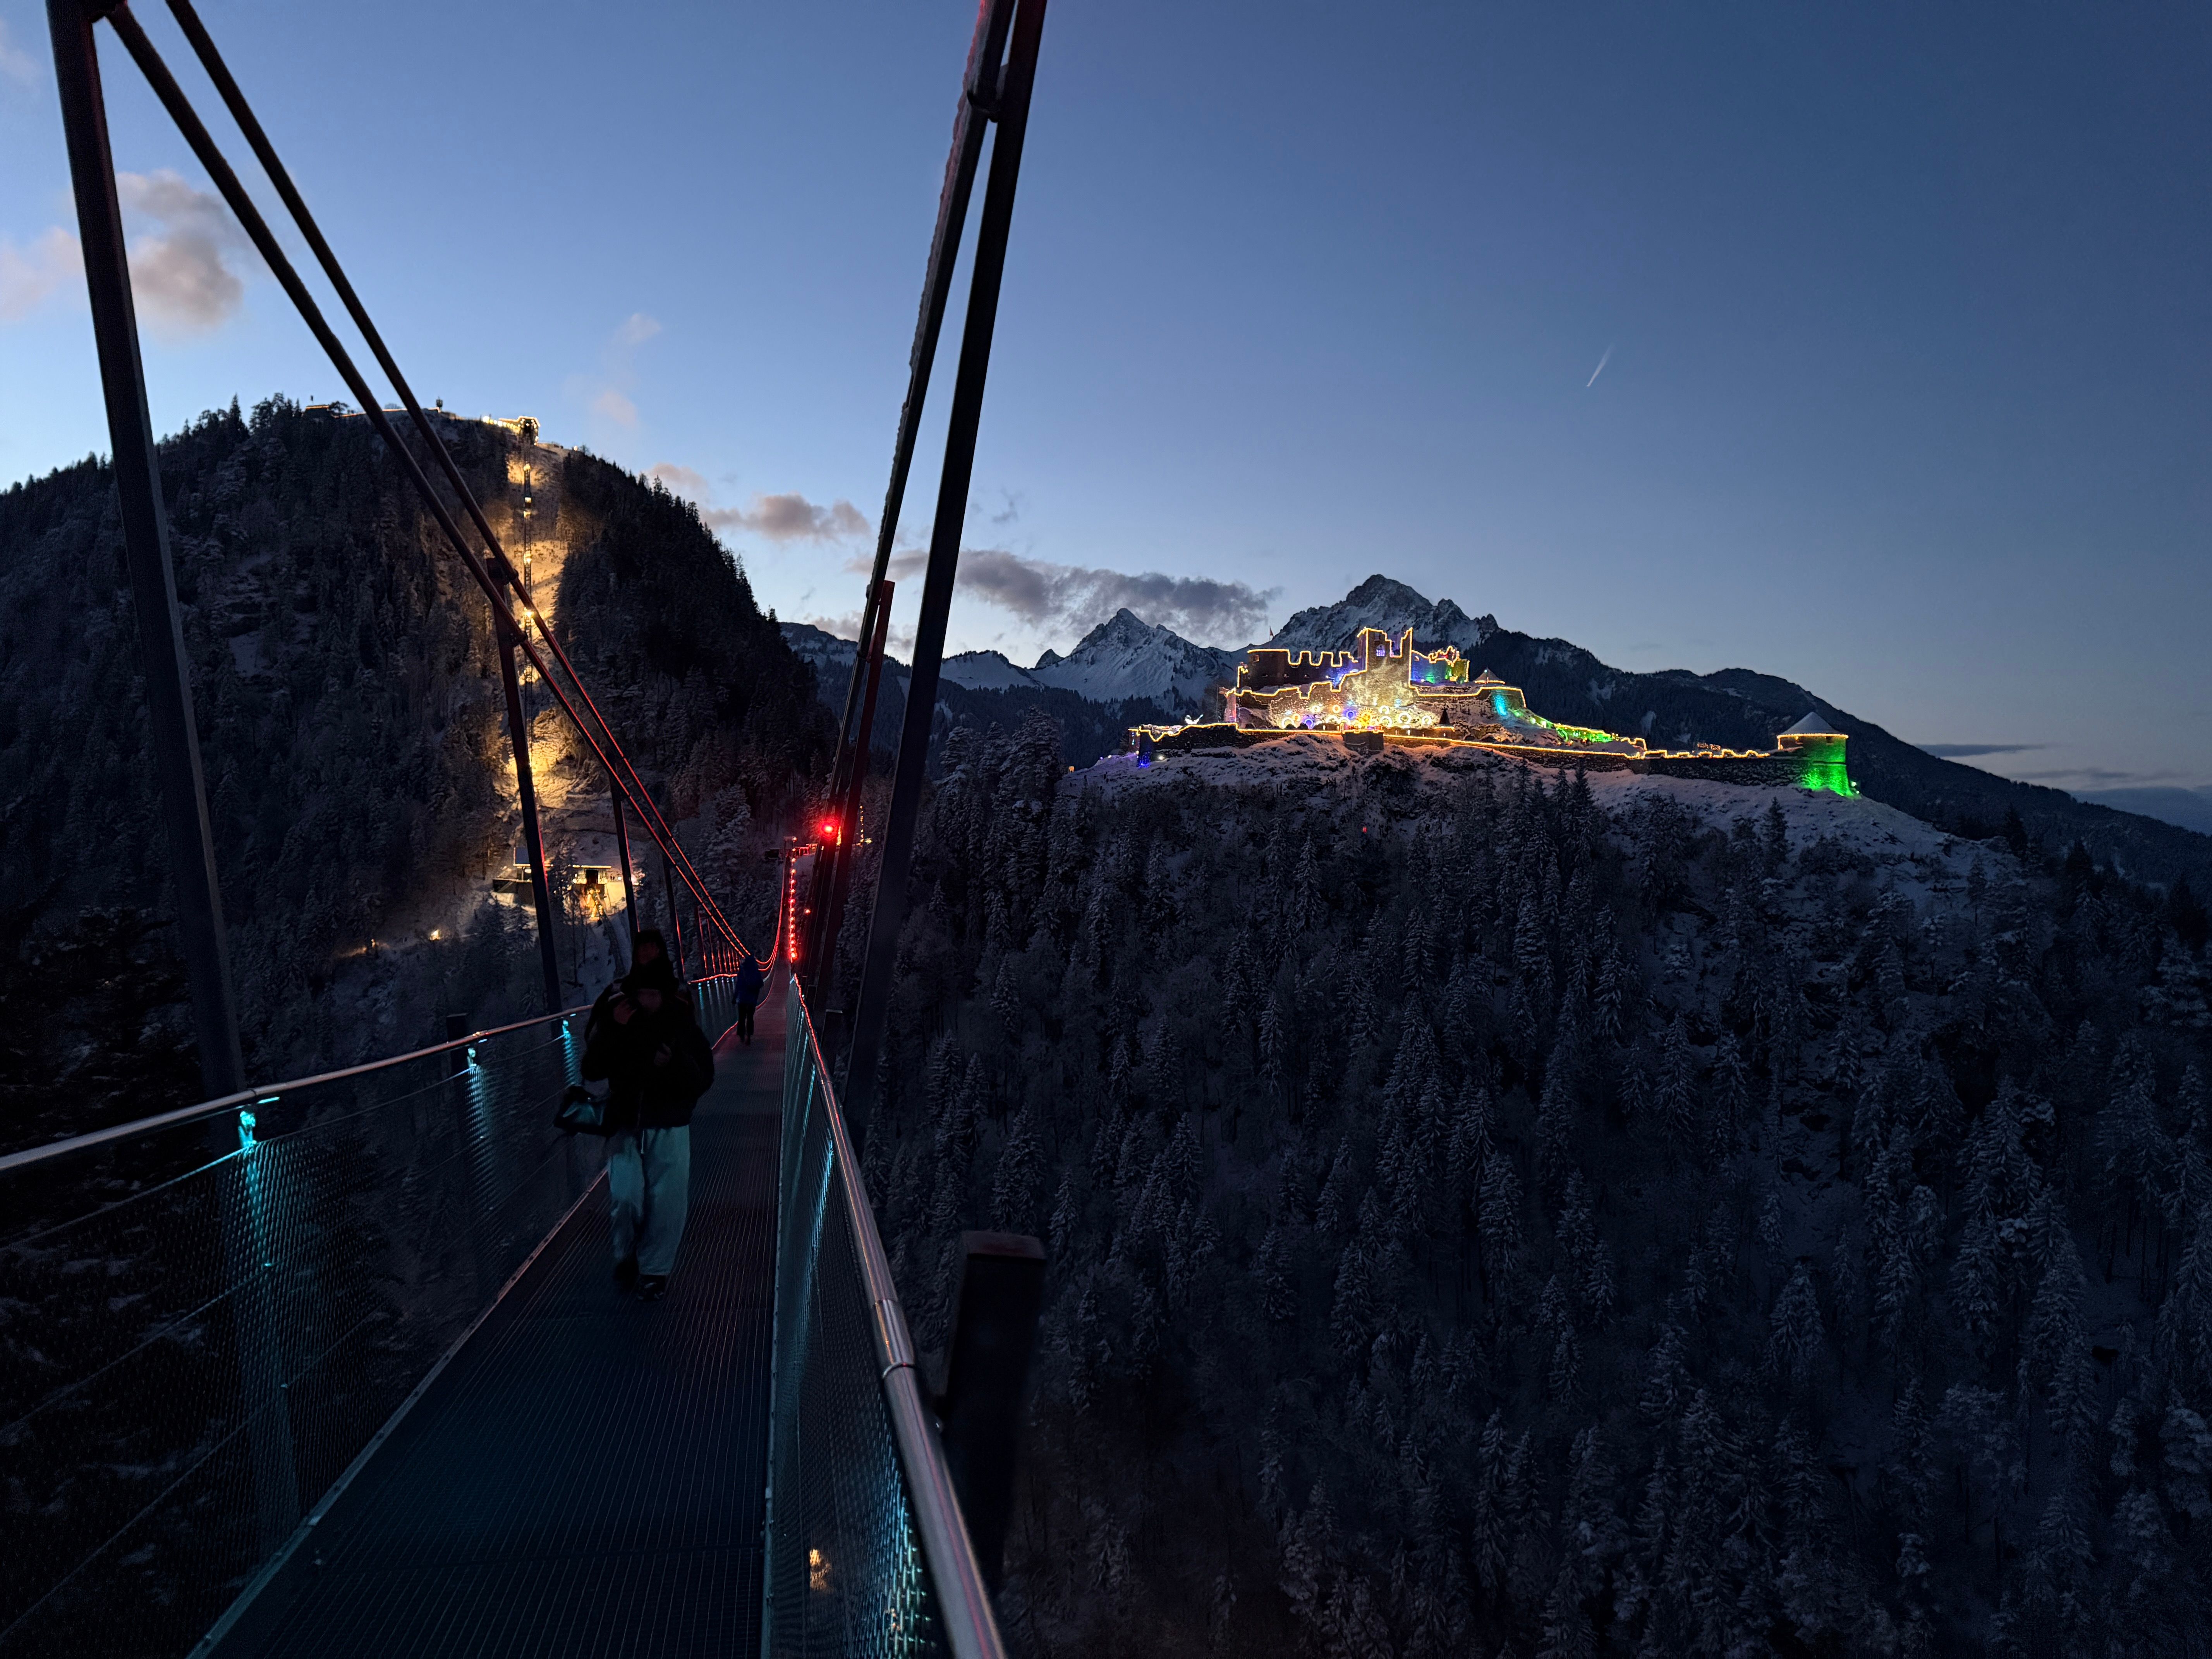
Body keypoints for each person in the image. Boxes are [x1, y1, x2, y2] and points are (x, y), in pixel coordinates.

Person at [582, 955, 713, 1300]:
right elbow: (592, 1069)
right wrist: (613, 1028)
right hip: (625, 1122)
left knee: (667, 1202)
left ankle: (655, 1272)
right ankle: (627, 1253)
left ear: (665, 995)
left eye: (655, 994)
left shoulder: (681, 1023)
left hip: (670, 1121)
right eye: (642, 993)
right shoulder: (617, 1019)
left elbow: (703, 1078)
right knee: (626, 1196)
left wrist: (674, 1064)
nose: (648, 1001)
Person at [732, 950, 766, 1046]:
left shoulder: (742, 970)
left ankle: (742, 1034)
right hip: (752, 999)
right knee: (750, 1017)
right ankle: (749, 1036)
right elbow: (761, 983)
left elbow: (738, 985)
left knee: (742, 1017)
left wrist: (735, 997)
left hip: (742, 999)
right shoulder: (756, 970)